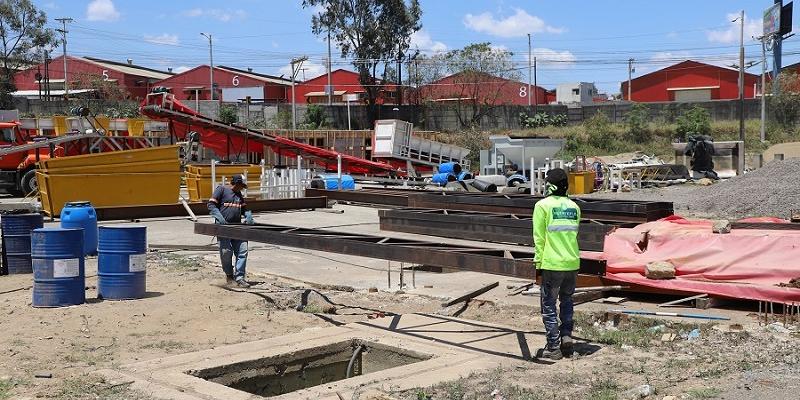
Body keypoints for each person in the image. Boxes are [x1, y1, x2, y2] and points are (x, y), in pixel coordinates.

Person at [533, 168, 581, 360]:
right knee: (567, 301)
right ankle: (566, 338)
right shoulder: (574, 207)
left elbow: (539, 238)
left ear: (550, 186)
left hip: (552, 264)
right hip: (572, 263)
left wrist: (538, 264)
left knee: (549, 306)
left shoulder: (542, 206)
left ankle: (553, 347)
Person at [208, 175, 255, 288]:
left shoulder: (239, 195)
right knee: (226, 252)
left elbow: (244, 208)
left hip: (237, 228)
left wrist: (248, 216)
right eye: (241, 186)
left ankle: (240, 278)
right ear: (236, 183)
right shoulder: (221, 190)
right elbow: (211, 205)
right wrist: (220, 218)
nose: (242, 188)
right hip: (223, 228)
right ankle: (229, 275)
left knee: (242, 251)